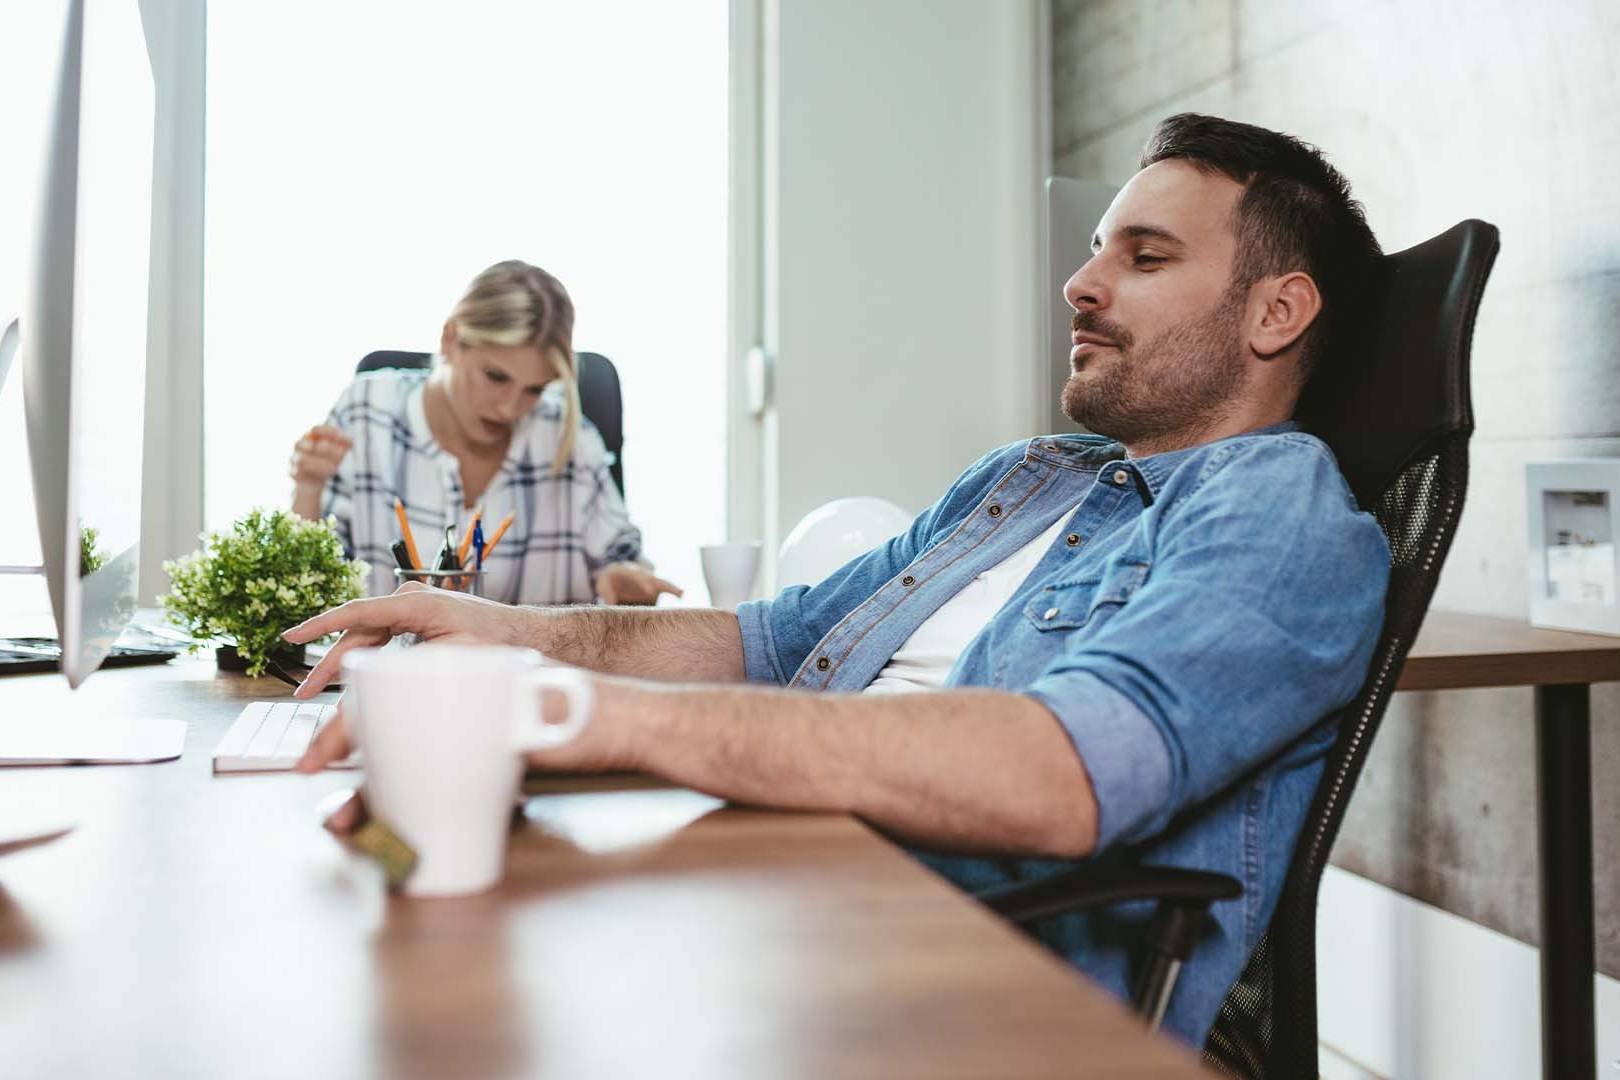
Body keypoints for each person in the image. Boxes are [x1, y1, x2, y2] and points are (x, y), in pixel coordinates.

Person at [284, 114, 1389, 1047]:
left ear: (1275, 312)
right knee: (368, 949)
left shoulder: (1278, 511)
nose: (1081, 282)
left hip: (949, 988)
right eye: (1098, 250)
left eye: (1144, 258)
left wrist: (580, 713)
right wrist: (517, 635)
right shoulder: (1031, 479)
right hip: (783, 893)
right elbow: (774, 639)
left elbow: (1067, 772)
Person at [288, 260, 680, 607]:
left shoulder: (571, 440)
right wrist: (308, 487)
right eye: (496, 376)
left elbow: (621, 559)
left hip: (527, 686)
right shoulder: (367, 411)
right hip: (384, 683)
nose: (510, 408)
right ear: (450, 339)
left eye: (535, 389)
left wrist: (622, 579)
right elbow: (310, 589)